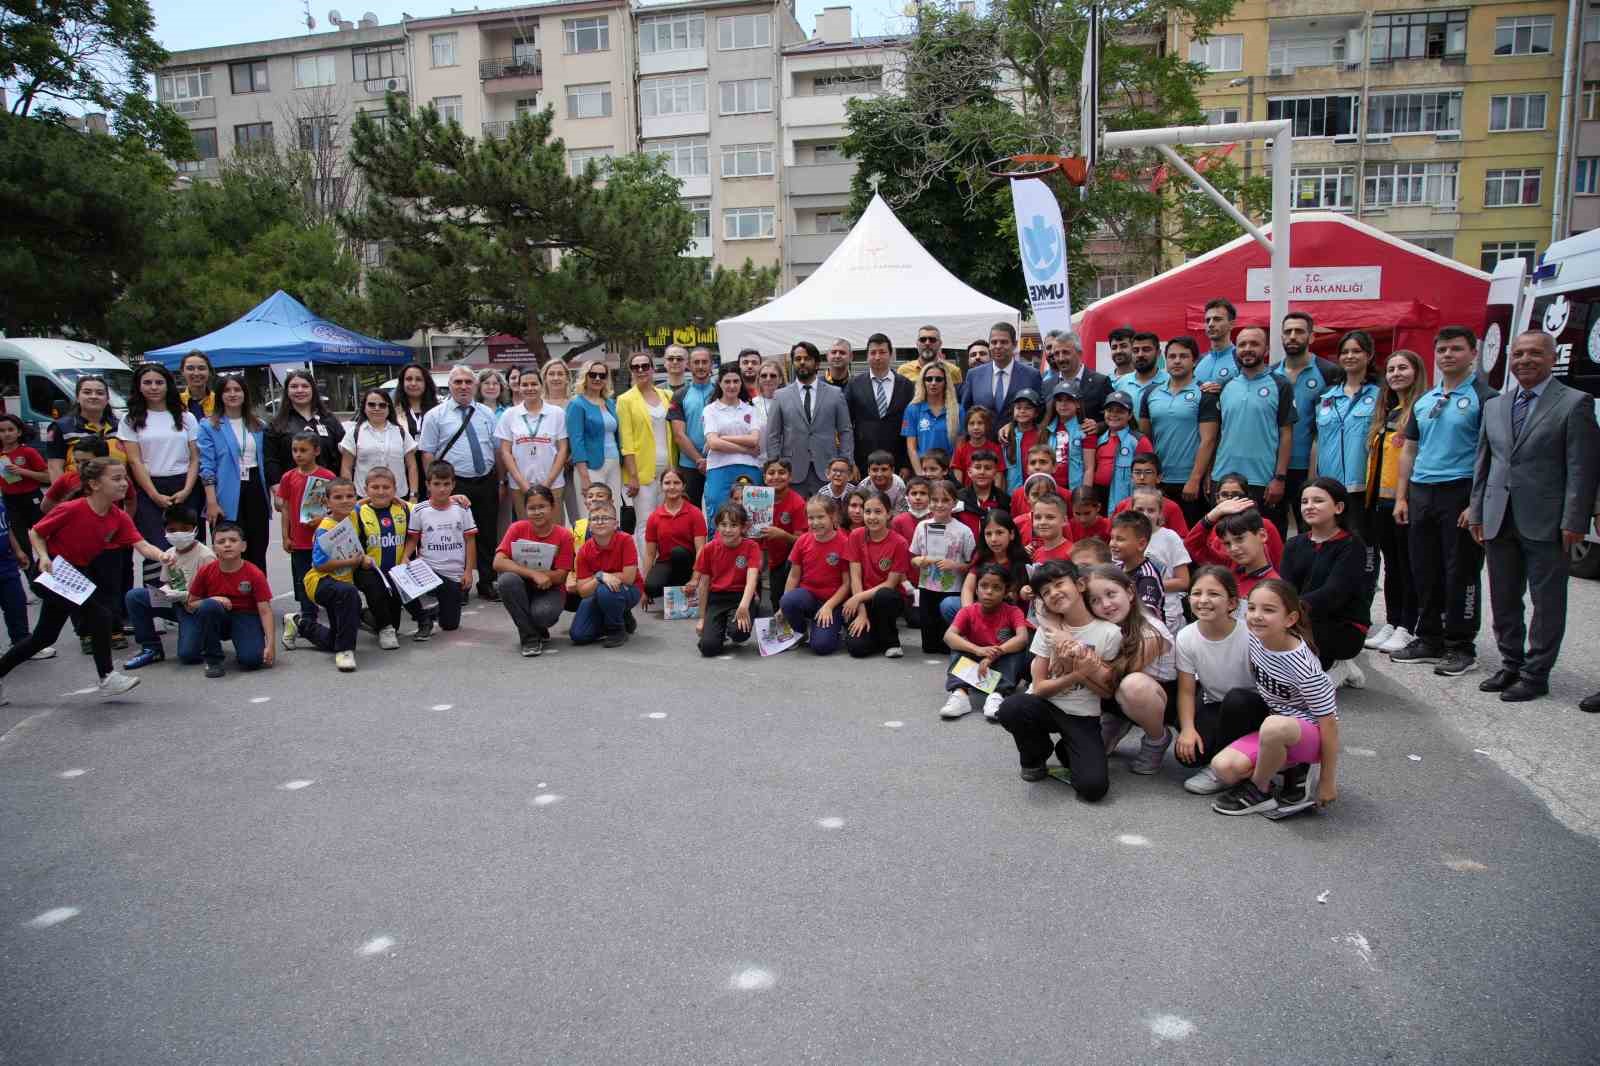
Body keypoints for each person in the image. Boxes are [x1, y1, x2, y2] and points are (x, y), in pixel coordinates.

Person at [1469, 329, 1600, 703]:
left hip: (1547, 520)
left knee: (1547, 602)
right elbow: (1484, 463)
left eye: (1535, 354)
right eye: (1519, 354)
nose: (1525, 360)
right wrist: (1477, 509)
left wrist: (1575, 520)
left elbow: (1582, 468)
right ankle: (1510, 663)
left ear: (1551, 357)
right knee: (1504, 597)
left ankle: (1536, 673)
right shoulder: (1495, 405)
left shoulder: (1576, 403)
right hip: (1498, 516)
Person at [0, 458, 170, 702]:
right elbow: (36, 531)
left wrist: (163, 555)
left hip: (77, 573)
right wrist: (44, 557)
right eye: (116, 478)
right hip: (53, 571)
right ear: (94, 484)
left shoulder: (118, 517)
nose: (124, 484)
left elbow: (142, 545)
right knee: (100, 613)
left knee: (44, 637)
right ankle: (107, 676)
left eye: (125, 478)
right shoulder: (72, 508)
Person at [1392, 326, 1495, 677]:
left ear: (1472, 354)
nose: (1448, 355)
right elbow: (1410, 448)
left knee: (1461, 571)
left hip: (1461, 491)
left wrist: (1476, 503)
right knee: (1424, 568)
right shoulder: (1425, 399)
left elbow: (1492, 454)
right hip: (1422, 492)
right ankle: (1429, 637)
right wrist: (1402, 496)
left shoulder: (1485, 397)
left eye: (1456, 349)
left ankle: (1461, 644)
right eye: (1443, 350)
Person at [1209, 580, 1340, 817]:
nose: (1257, 616)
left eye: (1268, 610)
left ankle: (1258, 790)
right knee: (1224, 768)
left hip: (1309, 736)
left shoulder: (1304, 666)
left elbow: (1329, 723)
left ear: (1290, 619)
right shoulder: (1256, 640)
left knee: (1273, 725)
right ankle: (1290, 772)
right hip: (1277, 728)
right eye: (1252, 608)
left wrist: (1328, 781)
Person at [994, 561, 1120, 799]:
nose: (1054, 593)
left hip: (1083, 715)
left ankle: (1068, 749)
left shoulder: (1109, 633)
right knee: (1012, 707)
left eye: (1059, 584)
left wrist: (1077, 659)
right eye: (1046, 592)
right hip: (1047, 706)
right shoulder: (1047, 630)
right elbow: (1040, 687)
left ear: (1080, 584)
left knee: (1093, 788)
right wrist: (1078, 673)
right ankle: (1036, 755)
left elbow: (1106, 692)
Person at [1362, 349, 1428, 655]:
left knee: (1409, 565)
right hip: (1381, 500)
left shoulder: (1421, 409)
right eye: (1391, 369)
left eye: (1403, 368)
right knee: (1391, 567)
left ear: (1417, 372)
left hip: (1406, 500)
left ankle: (1408, 626)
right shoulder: (1389, 412)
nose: (1396, 373)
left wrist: (1404, 497)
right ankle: (1392, 621)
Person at [1085, 563, 1177, 774]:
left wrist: (1081, 661)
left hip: (1158, 696)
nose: (1106, 604)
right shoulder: (1102, 628)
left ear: (1129, 592)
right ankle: (1115, 720)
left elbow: (1114, 677)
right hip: (1115, 691)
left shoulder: (1151, 631)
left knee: (1131, 684)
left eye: (1111, 594)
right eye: (1095, 600)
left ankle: (1157, 739)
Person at [420, 365, 501, 600]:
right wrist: (434, 487)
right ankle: (460, 585)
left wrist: (502, 481)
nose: (464, 386)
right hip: (454, 485)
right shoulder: (436, 415)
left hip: (485, 481)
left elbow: (495, 449)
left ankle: (487, 582)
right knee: (458, 536)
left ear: (475, 385)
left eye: (468, 382)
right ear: (450, 386)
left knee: (487, 533)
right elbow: (427, 453)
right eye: (458, 382)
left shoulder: (486, 413)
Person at [1282, 478, 1372, 688]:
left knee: (1307, 688)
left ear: (1339, 507)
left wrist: (1290, 612)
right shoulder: (1294, 544)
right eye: (1305, 501)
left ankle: (1338, 661)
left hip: (1342, 626)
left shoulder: (1351, 545)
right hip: (1300, 619)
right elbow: (1286, 588)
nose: (1309, 506)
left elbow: (1335, 593)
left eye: (1318, 501)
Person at [1173, 566, 1255, 795]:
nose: (1203, 600)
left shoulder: (1250, 634)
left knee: (1237, 699)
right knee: (1188, 756)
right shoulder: (1186, 636)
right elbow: (1187, 691)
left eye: (1214, 594)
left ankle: (1224, 769)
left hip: (1254, 708)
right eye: (1197, 593)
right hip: (1218, 704)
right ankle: (1237, 758)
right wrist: (1188, 730)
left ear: (1231, 603)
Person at [119, 362, 201, 585]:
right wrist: (154, 494)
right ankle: (157, 601)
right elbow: (134, 460)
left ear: (168, 385)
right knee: (157, 546)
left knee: (188, 544)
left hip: (184, 485)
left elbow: (195, 457)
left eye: (159, 382)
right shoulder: (130, 420)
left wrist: (186, 489)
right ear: (139, 386)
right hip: (148, 488)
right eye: (147, 382)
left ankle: (189, 596)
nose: (153, 387)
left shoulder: (186, 418)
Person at [1205, 326, 1295, 530]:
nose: (1247, 349)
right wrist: (1210, 473)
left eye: (1254, 344)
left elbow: (1286, 433)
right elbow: (1218, 432)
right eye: (1243, 344)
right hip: (1223, 479)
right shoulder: (1225, 385)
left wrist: (1279, 477)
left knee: (1261, 542)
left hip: (1262, 481)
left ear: (1266, 349)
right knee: (1223, 542)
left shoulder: (1280, 385)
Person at [281, 477, 367, 673]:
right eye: (338, 497)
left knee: (332, 640)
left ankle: (298, 623)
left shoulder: (353, 512)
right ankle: (345, 651)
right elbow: (320, 564)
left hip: (341, 581)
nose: (345, 500)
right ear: (327, 503)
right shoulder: (325, 529)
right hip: (320, 582)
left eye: (349, 496)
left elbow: (364, 503)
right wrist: (352, 562)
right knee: (349, 594)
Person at [1274, 312, 1344, 531]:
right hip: (1274, 468)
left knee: (1311, 532)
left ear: (1311, 337)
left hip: (1310, 468)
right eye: (1288, 332)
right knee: (1273, 530)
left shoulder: (1329, 372)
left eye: (1299, 331)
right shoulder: (1270, 373)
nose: (1292, 336)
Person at [122, 506, 213, 669]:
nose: (178, 534)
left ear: (195, 529)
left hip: (195, 609)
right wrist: (165, 590)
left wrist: (185, 595)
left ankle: (204, 638)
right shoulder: (170, 553)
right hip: (175, 603)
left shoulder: (205, 556)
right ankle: (151, 648)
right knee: (134, 597)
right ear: (164, 531)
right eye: (172, 530)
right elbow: (167, 581)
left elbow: (212, 595)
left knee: (188, 655)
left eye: (185, 529)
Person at [1138, 336, 1216, 525]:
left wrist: (1195, 479)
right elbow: (1145, 439)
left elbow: (1209, 440)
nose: (1177, 360)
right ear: (1165, 360)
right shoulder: (1150, 393)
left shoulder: (1205, 393)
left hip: (1189, 482)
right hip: (1158, 481)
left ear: (1194, 360)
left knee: (1189, 539)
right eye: (1172, 356)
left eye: (1183, 356)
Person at [199, 375, 272, 572]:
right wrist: (211, 502)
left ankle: (258, 595)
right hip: (226, 491)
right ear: (220, 395)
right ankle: (231, 597)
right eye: (227, 390)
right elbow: (206, 466)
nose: (232, 394)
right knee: (229, 547)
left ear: (244, 394)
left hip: (255, 488)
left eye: (237, 390)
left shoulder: (258, 425)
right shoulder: (209, 426)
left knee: (257, 546)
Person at [940, 563, 1030, 721]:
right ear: (976, 589)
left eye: (996, 587)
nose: (989, 592)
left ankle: (997, 695)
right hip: (975, 665)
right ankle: (960, 694)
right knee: (958, 645)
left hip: (1001, 666)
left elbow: (1022, 638)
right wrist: (977, 650)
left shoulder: (1013, 612)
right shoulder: (967, 611)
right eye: (984, 586)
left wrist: (994, 654)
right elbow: (949, 636)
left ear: (1005, 592)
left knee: (1018, 649)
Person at [488, 484, 570, 656]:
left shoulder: (563, 535)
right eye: (532, 508)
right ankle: (529, 637)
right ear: (525, 510)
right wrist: (533, 574)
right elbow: (498, 562)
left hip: (550, 588)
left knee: (543, 615)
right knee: (506, 580)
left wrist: (545, 577)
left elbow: (561, 576)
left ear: (552, 507)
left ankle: (538, 626)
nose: (537, 512)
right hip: (522, 585)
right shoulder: (517, 528)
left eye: (542, 507)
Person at [183, 521, 274, 676]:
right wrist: (215, 599)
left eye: (233, 540)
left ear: (243, 546)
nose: (227, 545)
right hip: (218, 615)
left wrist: (270, 645)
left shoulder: (254, 573)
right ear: (214, 548)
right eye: (221, 541)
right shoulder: (206, 571)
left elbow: (265, 611)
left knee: (252, 661)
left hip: (245, 616)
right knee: (207, 608)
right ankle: (213, 660)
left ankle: (246, 641)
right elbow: (190, 604)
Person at [765, 341, 853, 499]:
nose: (802, 362)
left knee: (825, 517)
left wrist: (845, 462)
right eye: (798, 359)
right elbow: (773, 434)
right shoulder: (781, 395)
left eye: (807, 358)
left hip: (828, 468)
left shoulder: (835, 393)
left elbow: (845, 431)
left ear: (817, 363)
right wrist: (775, 466)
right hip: (791, 469)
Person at [350, 467, 425, 650]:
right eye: (375, 487)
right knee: (376, 593)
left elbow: (433, 506)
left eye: (386, 487)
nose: (381, 491)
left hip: (396, 572)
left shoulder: (405, 509)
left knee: (393, 619)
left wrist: (456, 498)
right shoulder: (357, 511)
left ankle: (365, 616)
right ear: (365, 489)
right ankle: (385, 629)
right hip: (369, 570)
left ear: (395, 488)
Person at [497, 365, 569, 542]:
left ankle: (557, 568)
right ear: (519, 387)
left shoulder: (557, 414)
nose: (529, 389)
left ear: (541, 385)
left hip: (552, 484)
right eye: (525, 385)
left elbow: (563, 449)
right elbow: (505, 451)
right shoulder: (510, 415)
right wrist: (522, 483)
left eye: (533, 384)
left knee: (555, 532)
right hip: (521, 486)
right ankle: (530, 569)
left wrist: (548, 482)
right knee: (528, 533)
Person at [407, 462, 477, 637]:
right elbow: (413, 538)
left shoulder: (462, 508)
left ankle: (435, 611)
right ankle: (423, 614)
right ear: (428, 485)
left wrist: (469, 572)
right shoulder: (419, 510)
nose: (442, 489)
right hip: (428, 570)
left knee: (450, 625)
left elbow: (470, 541)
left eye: (446, 484)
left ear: (453, 485)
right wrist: (404, 559)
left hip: (454, 575)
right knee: (401, 580)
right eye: (437, 484)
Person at [276, 432, 335, 631]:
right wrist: (285, 536)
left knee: (327, 575)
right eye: (295, 450)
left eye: (303, 450)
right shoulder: (288, 477)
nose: (298, 455)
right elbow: (284, 508)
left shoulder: (327, 477)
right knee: (302, 578)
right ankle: (308, 615)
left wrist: (323, 519)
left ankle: (333, 611)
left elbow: (336, 508)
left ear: (316, 451)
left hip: (322, 539)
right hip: (299, 540)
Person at [842, 490, 911, 659]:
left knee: (884, 595)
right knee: (857, 649)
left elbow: (890, 584)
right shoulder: (856, 535)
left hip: (887, 599)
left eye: (878, 512)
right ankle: (875, 635)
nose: (872, 517)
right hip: (862, 600)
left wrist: (856, 598)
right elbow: (855, 577)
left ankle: (891, 641)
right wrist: (861, 612)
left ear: (889, 514)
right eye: (868, 512)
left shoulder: (899, 543)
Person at [909, 479, 975, 654]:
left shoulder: (963, 531)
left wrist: (955, 565)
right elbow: (913, 559)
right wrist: (920, 561)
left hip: (952, 590)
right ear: (929, 502)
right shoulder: (922, 526)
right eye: (935, 500)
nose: (939, 505)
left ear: (954, 503)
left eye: (945, 500)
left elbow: (972, 565)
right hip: (927, 587)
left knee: (948, 644)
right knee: (929, 646)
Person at [780, 495, 852, 656]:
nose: (815, 522)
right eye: (811, 518)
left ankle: (834, 627)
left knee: (821, 647)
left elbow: (847, 584)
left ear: (833, 516)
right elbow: (793, 576)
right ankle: (801, 632)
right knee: (788, 601)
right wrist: (782, 607)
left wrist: (829, 606)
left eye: (820, 517)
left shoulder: (844, 542)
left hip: (833, 601)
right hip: (808, 596)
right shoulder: (803, 541)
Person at [616, 351, 671, 549]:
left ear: (653, 368)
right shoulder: (625, 400)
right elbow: (627, 441)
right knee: (645, 523)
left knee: (665, 521)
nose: (641, 370)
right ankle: (644, 569)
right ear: (631, 371)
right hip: (641, 472)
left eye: (645, 366)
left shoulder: (667, 396)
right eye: (635, 367)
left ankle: (661, 564)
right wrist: (633, 476)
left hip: (667, 470)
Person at [694, 501, 762, 657]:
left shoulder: (751, 547)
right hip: (717, 598)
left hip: (741, 596)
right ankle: (719, 627)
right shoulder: (709, 548)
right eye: (723, 524)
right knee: (708, 648)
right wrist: (702, 618)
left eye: (733, 525)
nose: (728, 530)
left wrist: (744, 606)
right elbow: (703, 584)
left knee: (739, 633)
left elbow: (752, 580)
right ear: (717, 526)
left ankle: (748, 611)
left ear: (743, 528)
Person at [941, 508, 1030, 624]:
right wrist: (970, 614)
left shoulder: (1021, 560)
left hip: (1008, 615)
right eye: (988, 534)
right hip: (982, 609)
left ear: (1011, 534)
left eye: (999, 533)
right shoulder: (982, 557)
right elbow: (968, 588)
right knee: (949, 604)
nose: (993, 539)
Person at [570, 501, 640, 648]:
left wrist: (601, 579)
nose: (600, 522)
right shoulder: (584, 551)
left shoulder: (625, 540)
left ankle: (616, 630)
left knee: (605, 590)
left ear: (615, 524)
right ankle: (620, 616)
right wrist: (599, 577)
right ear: (589, 525)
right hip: (597, 591)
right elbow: (582, 591)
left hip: (629, 590)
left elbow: (628, 578)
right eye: (595, 519)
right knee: (578, 635)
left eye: (605, 518)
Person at [846, 332, 915, 474]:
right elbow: (847, 426)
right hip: (863, 462)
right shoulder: (854, 385)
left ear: (890, 354)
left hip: (897, 461)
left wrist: (906, 464)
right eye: (873, 353)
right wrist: (851, 462)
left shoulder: (906, 385)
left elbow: (911, 428)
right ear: (867, 356)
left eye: (882, 352)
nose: (877, 357)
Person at [1127, 486, 1191, 636]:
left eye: (1151, 510)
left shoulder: (1170, 537)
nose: (1145, 514)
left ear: (1160, 512)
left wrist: (1146, 585)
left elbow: (1183, 581)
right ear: (1131, 509)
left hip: (1167, 613)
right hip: (1133, 612)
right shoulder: (1123, 537)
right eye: (1140, 509)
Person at [264, 368, 344, 490]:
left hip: (330, 489)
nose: (300, 390)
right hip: (293, 489)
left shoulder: (329, 420)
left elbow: (342, 454)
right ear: (287, 391)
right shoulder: (277, 424)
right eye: (294, 386)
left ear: (313, 389)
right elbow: (271, 460)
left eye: (305, 386)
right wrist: (277, 488)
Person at [699, 364, 762, 515]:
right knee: (719, 511)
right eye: (727, 381)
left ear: (741, 383)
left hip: (749, 467)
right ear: (720, 383)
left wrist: (723, 437)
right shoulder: (710, 410)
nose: (732, 386)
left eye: (736, 381)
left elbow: (754, 440)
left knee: (753, 514)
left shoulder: (751, 410)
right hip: (719, 468)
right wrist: (745, 450)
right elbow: (713, 443)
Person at [641, 467, 705, 605]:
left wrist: (695, 578)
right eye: (667, 483)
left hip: (688, 562)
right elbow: (649, 554)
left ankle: (687, 588)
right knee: (650, 587)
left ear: (684, 486)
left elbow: (701, 550)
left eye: (676, 483)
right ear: (661, 486)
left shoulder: (695, 513)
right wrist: (643, 586)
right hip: (666, 562)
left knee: (678, 553)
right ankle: (673, 591)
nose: (672, 487)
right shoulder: (654, 517)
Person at [341, 388, 418, 503]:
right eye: (371, 405)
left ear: (388, 408)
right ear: (364, 408)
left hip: (399, 498)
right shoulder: (354, 433)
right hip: (364, 499)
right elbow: (346, 468)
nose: (377, 408)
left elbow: (412, 466)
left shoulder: (401, 432)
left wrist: (413, 495)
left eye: (382, 405)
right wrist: (349, 496)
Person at [1081, 390, 1153, 512]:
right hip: (1098, 497)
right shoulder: (1099, 439)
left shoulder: (1139, 441)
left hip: (1125, 500)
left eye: (1120, 411)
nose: (1114, 414)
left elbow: (1148, 475)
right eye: (1110, 410)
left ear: (1130, 415)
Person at [962, 322, 1042, 428]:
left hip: (1017, 440)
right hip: (984, 441)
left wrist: (1015, 425)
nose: (998, 346)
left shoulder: (1032, 375)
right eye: (994, 342)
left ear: (1014, 344)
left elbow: (1040, 411)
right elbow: (966, 411)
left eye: (1004, 342)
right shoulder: (974, 375)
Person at [758, 458, 809, 612]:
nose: (776, 477)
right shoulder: (755, 498)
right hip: (760, 553)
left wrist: (783, 535)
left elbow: (803, 541)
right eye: (771, 473)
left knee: (780, 602)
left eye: (782, 472)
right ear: (764, 477)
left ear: (790, 477)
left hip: (787, 559)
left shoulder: (797, 502)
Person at [668, 346, 717, 506]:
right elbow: (679, 435)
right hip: (689, 464)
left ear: (711, 365)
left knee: (720, 510)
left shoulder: (720, 391)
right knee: (689, 510)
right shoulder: (680, 395)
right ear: (689, 365)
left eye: (705, 362)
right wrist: (699, 460)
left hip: (719, 460)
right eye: (696, 362)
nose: (701, 366)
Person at [0, 413, 49, 569]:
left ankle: (52, 572)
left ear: (19, 432)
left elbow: (47, 477)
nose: (6, 434)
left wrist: (22, 471)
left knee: (44, 538)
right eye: (2, 431)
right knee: (22, 545)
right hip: (10, 501)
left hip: (32, 498)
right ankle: (32, 578)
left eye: (10, 429)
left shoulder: (28, 452)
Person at [1038, 331, 1112, 425]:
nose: (1061, 358)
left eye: (1065, 352)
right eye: (1056, 354)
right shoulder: (1047, 385)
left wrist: (1098, 426)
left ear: (1080, 354)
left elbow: (1115, 416)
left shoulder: (1100, 382)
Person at [902, 360, 962, 474]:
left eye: (938, 379)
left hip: (948, 473)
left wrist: (948, 472)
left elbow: (959, 447)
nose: (933, 383)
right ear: (922, 382)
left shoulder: (958, 410)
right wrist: (920, 473)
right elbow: (911, 448)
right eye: (929, 379)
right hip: (923, 472)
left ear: (946, 382)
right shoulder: (913, 409)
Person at [542, 360, 583, 524]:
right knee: (551, 517)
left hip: (573, 468)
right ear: (544, 378)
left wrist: (572, 456)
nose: (556, 377)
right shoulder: (537, 404)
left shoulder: (576, 403)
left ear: (568, 378)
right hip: (546, 468)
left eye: (560, 374)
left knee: (578, 517)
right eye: (551, 374)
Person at [1111, 454, 1190, 537]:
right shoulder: (1122, 505)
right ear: (1131, 477)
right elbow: (1112, 534)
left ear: (1159, 478)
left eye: (1148, 472)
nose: (1142, 477)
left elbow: (1182, 540)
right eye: (1137, 473)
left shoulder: (1172, 507)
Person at [1108, 510, 1164, 621]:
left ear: (1141, 544)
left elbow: (1147, 617)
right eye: (1112, 538)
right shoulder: (1116, 567)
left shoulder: (1147, 577)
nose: (1112, 544)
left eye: (1120, 539)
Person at [1000, 389, 1044, 490]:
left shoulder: (1043, 434)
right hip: (1012, 492)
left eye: (1028, 408)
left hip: (1038, 490)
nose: (1022, 411)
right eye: (1018, 408)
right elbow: (1002, 470)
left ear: (1036, 413)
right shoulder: (1006, 435)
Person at [897, 324, 965, 386]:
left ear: (940, 343)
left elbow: (957, 397)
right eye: (923, 339)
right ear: (917, 343)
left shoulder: (953, 371)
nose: (927, 343)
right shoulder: (903, 370)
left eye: (932, 340)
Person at [1194, 297, 1239, 390]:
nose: (1210, 324)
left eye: (1217, 319)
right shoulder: (1198, 360)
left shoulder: (1240, 359)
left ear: (1232, 324)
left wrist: (1224, 390)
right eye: (1207, 320)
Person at [950, 406, 997, 486]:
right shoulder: (961, 450)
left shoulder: (995, 449)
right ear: (966, 426)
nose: (976, 427)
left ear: (987, 425)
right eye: (972, 423)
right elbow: (958, 481)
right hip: (967, 496)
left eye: (980, 423)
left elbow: (998, 478)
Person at [392, 363, 439, 441]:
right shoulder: (393, 412)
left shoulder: (438, 411)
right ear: (402, 383)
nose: (413, 383)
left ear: (426, 383)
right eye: (409, 379)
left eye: (418, 379)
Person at [1115, 331, 1168, 396]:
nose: (1140, 355)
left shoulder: (1170, 381)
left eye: (1146, 350)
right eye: (1135, 351)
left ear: (1158, 353)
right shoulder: (1120, 383)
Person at [177, 350, 216, 420]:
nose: (196, 373)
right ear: (182, 372)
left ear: (209, 371)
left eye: (201, 368)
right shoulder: (176, 402)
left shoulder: (219, 401)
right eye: (190, 368)